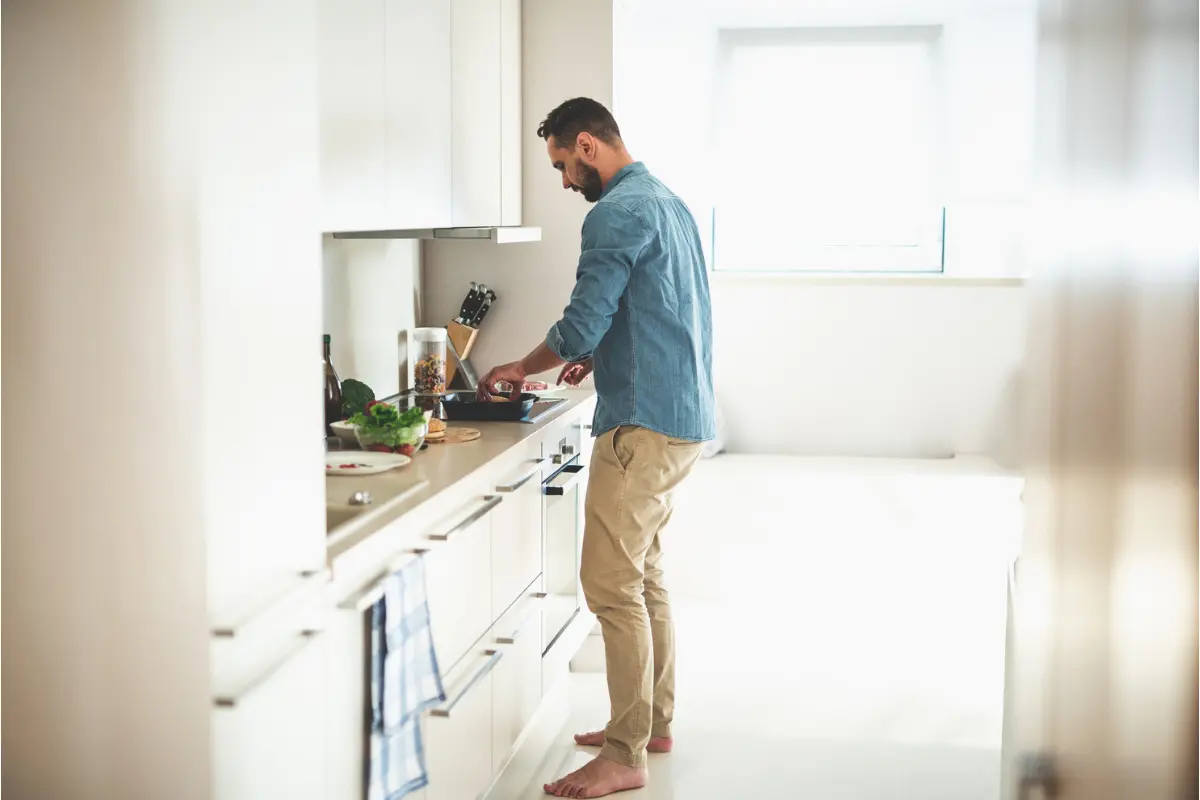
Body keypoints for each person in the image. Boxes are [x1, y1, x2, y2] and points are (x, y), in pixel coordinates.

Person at [478, 97, 715, 799]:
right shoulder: (666, 201)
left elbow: (582, 321)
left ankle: (624, 752)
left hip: (641, 423)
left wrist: (521, 367)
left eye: (560, 164)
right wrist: (602, 355)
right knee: (643, 578)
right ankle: (651, 723)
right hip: (681, 415)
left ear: (587, 145)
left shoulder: (613, 212)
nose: (562, 181)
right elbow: (657, 309)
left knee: (611, 585)